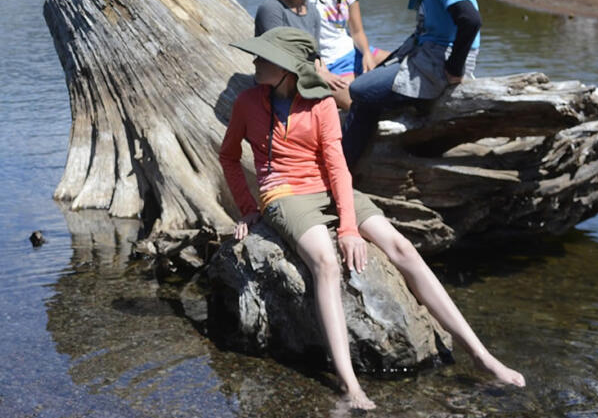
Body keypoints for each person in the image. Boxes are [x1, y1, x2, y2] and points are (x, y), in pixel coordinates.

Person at [219, 26, 525, 410]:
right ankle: (350, 385)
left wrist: (348, 225)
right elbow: (229, 156)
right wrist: (249, 205)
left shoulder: (322, 104)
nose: (254, 61)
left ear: (287, 67)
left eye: (263, 57)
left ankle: (482, 356)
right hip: (283, 194)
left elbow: (337, 168)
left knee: (403, 248)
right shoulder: (248, 102)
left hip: (327, 188)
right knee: (326, 263)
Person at [340, 0, 482, 169]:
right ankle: (347, 168)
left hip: (438, 59)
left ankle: (343, 169)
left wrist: (454, 69)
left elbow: (470, 19)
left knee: (359, 90)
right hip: (428, 52)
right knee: (368, 98)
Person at [306, 0, 387, 109]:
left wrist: (366, 54)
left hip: (352, 52)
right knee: (354, 100)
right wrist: (321, 71)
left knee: (400, 60)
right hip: (329, 63)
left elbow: (357, 32)